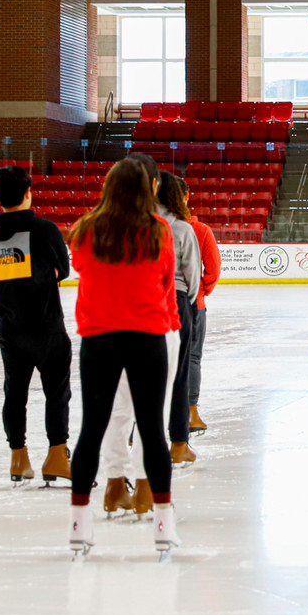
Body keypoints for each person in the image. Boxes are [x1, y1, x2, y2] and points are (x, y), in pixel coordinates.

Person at [67, 158, 180, 557]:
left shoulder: (85, 230)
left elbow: (80, 266)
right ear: (149, 189)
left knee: (91, 430)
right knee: (152, 429)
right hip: (147, 335)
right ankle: (164, 521)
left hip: (98, 337)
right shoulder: (159, 230)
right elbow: (167, 278)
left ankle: (80, 522)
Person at [0, 165, 73, 485]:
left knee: (15, 393)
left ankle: (18, 458)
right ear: (29, 192)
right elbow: (64, 269)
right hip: (46, 324)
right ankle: (57, 455)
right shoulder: (45, 230)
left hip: (9, 326)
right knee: (57, 392)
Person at [156, 172, 202, 464]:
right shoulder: (182, 229)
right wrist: (189, 302)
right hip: (176, 300)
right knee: (178, 373)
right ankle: (178, 444)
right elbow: (193, 275)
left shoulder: (136, 224)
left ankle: (139, 435)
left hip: (142, 301)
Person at [186, 181, 220, 434]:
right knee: (192, 358)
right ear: (186, 196)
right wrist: (201, 290)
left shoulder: (153, 229)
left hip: (158, 306)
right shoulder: (200, 230)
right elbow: (213, 269)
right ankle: (190, 413)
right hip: (193, 305)